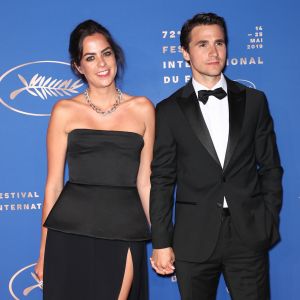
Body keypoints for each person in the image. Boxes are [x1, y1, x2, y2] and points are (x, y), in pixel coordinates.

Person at [150, 12, 283, 300]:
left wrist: (267, 220)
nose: (214, 52)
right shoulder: (169, 110)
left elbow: (271, 167)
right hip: (193, 238)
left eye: (219, 43)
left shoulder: (254, 102)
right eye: (202, 44)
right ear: (185, 52)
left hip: (248, 234)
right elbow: (161, 180)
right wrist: (161, 242)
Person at [35, 19, 154, 300]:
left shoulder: (142, 108)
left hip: (124, 228)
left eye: (106, 53)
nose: (101, 63)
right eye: (90, 57)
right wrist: (43, 252)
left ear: (115, 55)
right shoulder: (64, 110)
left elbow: (146, 182)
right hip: (69, 232)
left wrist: (162, 242)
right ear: (78, 66)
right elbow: (53, 185)